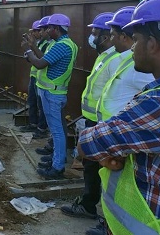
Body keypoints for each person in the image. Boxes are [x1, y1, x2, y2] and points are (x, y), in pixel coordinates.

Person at [78, 0, 160, 235]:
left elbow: (88, 145)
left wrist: (112, 152)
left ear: (152, 44)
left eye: (136, 39)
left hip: (151, 225)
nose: (132, 46)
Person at [60, 12, 120, 221]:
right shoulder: (105, 55)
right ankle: (89, 204)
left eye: (95, 32)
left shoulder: (117, 59)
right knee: (91, 166)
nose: (91, 36)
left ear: (106, 35)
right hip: (94, 120)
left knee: (98, 168)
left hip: (103, 122)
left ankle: (92, 208)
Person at [22, 13, 78, 179]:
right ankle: (56, 158)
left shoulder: (62, 46)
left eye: (48, 28)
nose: (46, 30)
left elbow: (39, 64)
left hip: (53, 93)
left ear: (56, 29)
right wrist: (33, 47)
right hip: (52, 92)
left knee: (57, 131)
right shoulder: (61, 43)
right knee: (58, 129)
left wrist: (27, 50)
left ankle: (57, 166)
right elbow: (43, 58)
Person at [20, 19, 52, 135]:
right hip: (35, 76)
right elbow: (30, 58)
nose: (33, 34)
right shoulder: (40, 43)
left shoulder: (47, 45)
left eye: (36, 31)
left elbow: (39, 60)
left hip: (42, 79)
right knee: (32, 101)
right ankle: (33, 123)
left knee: (41, 105)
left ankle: (41, 128)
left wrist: (29, 51)